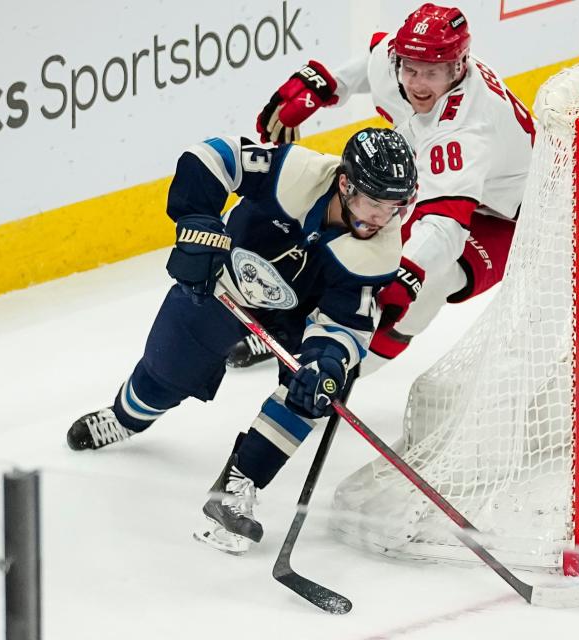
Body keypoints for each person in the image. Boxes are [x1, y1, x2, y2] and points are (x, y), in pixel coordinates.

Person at [66, 127, 418, 554]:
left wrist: (327, 362)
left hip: (293, 317)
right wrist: (199, 222)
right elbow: (212, 156)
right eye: (375, 203)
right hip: (222, 281)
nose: (384, 218)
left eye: (395, 206)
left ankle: (240, 480)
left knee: (313, 390)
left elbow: (345, 325)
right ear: (345, 184)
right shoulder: (297, 172)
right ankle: (125, 418)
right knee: (164, 375)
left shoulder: (379, 251)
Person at [227, 3, 535, 372]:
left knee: (430, 283)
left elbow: (444, 227)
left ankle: (345, 369)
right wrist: (325, 85)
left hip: (512, 216)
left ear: (459, 66)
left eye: (432, 73)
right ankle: (292, 318)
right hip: (442, 178)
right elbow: (375, 63)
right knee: (349, 209)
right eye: (411, 69)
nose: (419, 84)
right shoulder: (407, 59)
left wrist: (407, 273)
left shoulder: (465, 132)